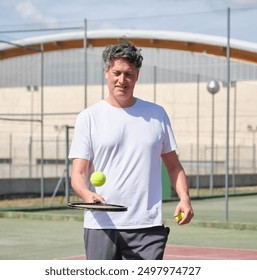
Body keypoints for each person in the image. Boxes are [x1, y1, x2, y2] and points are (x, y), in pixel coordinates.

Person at [69, 38, 194, 260]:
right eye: (117, 73)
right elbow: (78, 173)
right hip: (101, 225)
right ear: (107, 72)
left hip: (147, 226)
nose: (122, 80)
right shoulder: (88, 117)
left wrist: (184, 198)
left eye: (129, 74)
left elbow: (174, 167)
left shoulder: (157, 114)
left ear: (137, 76)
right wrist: (87, 194)